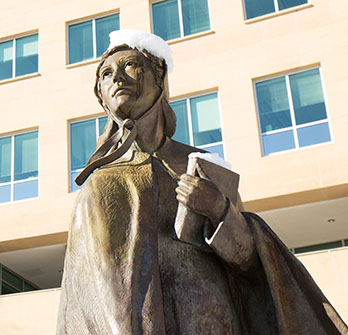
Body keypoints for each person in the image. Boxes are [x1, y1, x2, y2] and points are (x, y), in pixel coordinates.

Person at [56, 30, 347, 335]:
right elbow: (92, 297)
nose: (116, 78)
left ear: (159, 81)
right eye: (106, 74)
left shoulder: (201, 164)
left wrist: (219, 210)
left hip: (213, 322)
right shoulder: (98, 185)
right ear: (101, 95)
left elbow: (247, 260)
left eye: (130, 66)